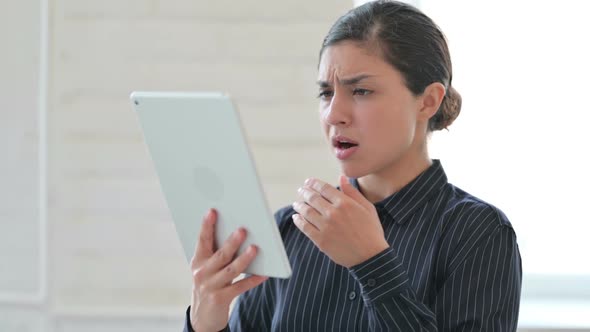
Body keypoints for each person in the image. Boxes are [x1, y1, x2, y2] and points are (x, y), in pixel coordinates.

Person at [184, 1, 522, 331]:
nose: (333, 114)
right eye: (326, 93)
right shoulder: (289, 231)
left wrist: (372, 264)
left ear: (428, 100)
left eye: (361, 91)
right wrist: (206, 324)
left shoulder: (478, 232)